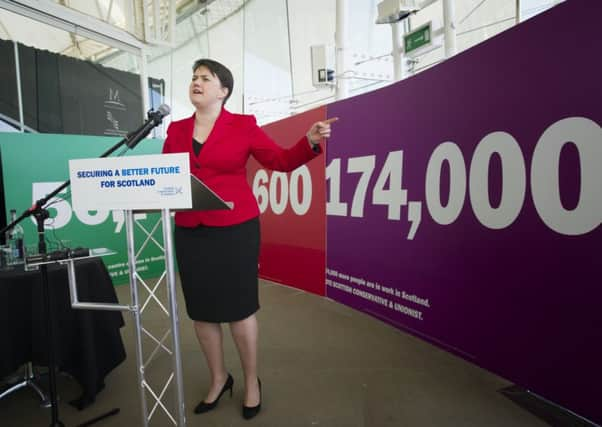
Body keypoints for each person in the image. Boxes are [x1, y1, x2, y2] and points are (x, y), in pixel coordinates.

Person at [161, 58, 336, 420]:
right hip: (191, 231)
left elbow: (282, 160)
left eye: (205, 78)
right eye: (193, 77)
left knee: (240, 308)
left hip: (235, 229)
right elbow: (166, 177)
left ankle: (252, 382)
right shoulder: (176, 130)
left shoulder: (243, 126)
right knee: (202, 311)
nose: (196, 82)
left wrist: (310, 141)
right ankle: (218, 378)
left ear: (223, 90)